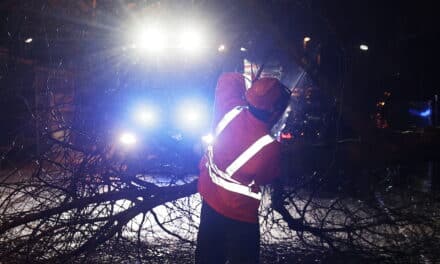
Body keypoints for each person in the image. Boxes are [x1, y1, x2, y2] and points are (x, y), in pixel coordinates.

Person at [195, 72, 290, 264]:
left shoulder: (229, 109)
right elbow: (265, 177)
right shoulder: (269, 148)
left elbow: (228, 78)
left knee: (207, 257)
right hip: (240, 215)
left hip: (210, 199)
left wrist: (252, 82)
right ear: (274, 111)